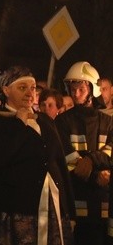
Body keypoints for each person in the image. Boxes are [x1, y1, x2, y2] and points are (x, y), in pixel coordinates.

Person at [0, 65, 75, 245]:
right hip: (15, 207)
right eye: (22, 88)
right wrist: (19, 124)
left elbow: (59, 162)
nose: (30, 93)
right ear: (6, 90)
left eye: (33, 88)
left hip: (51, 202)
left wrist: (70, 210)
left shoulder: (45, 120)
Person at [55, 61, 113, 245]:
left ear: (92, 89)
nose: (75, 93)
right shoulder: (62, 121)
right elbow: (66, 157)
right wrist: (95, 175)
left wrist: (91, 160)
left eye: (80, 88)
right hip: (75, 200)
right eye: (72, 89)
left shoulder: (108, 121)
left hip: (105, 202)